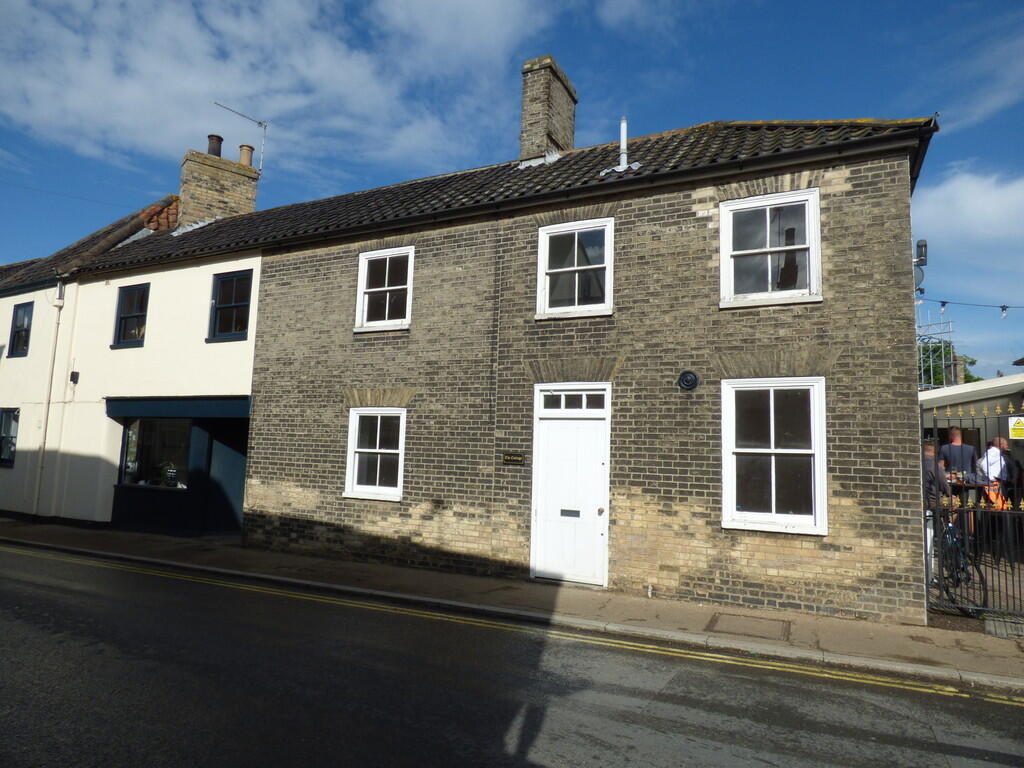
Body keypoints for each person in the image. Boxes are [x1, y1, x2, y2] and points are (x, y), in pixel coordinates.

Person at [922, 441, 950, 581]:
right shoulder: (935, 465)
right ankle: (948, 531)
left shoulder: (918, 463)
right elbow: (944, 486)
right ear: (934, 452)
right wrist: (951, 495)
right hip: (933, 503)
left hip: (920, 504)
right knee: (929, 543)